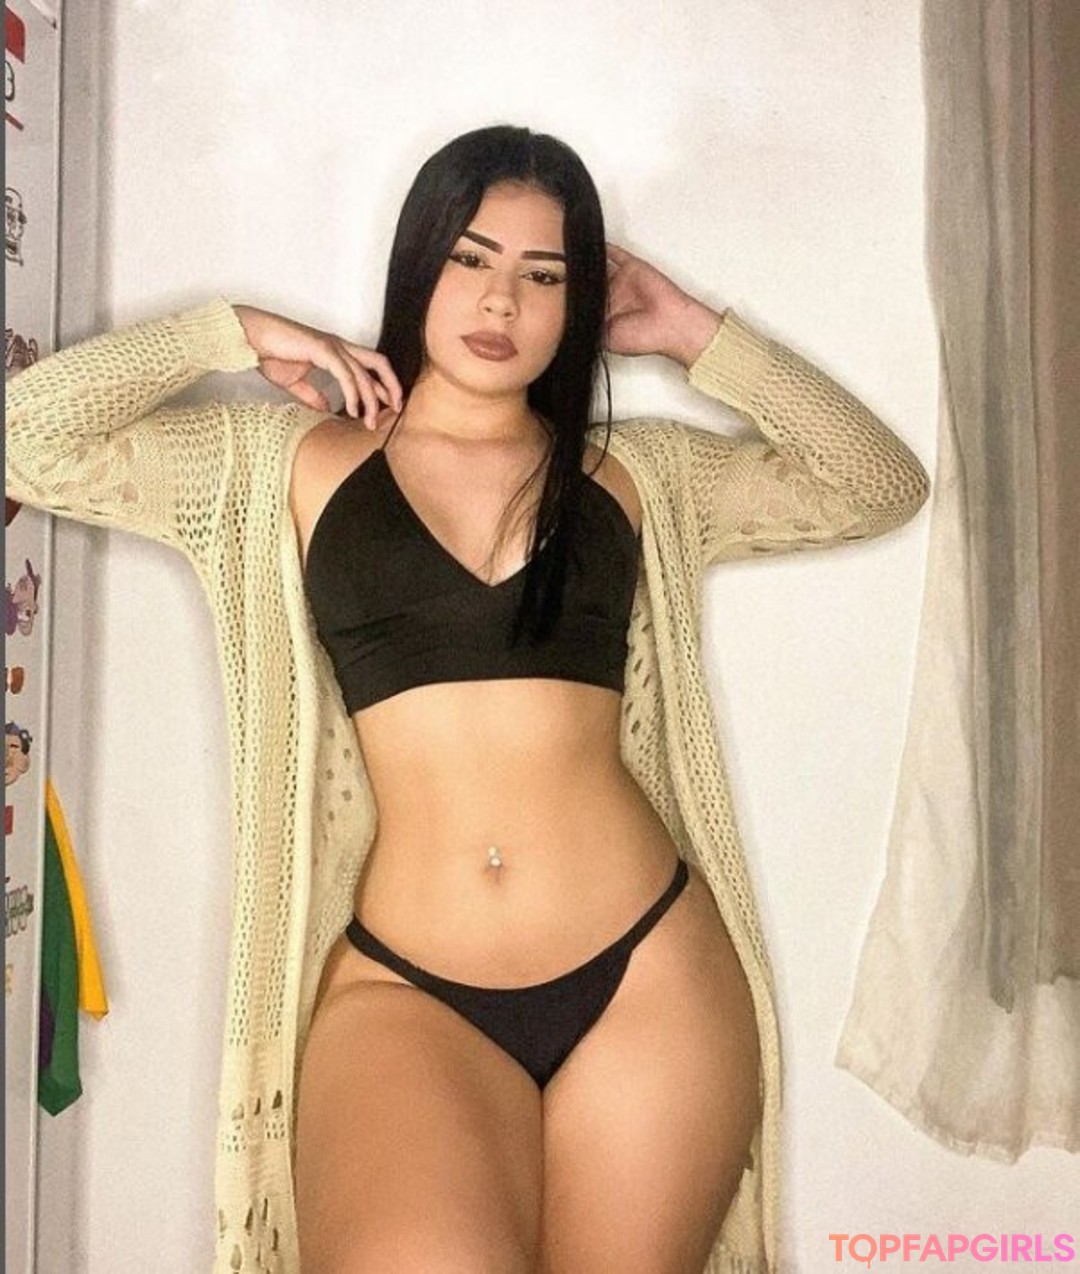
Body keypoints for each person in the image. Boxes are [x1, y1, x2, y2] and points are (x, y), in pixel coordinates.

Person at [6, 125, 929, 1273]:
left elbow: (879, 483)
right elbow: (25, 442)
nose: (502, 300)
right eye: (471, 258)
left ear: (579, 302)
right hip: (411, 988)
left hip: (647, 976)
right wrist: (231, 330)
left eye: (544, 275)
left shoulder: (635, 476)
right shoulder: (285, 462)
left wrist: (697, 333)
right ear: (419, 263)